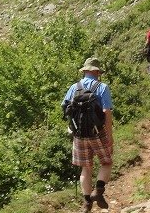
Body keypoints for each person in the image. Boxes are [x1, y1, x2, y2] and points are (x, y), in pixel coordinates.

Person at [62, 57, 113, 212]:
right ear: (97, 72)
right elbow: (107, 112)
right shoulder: (102, 87)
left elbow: (65, 107)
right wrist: (109, 135)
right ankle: (98, 191)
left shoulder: (74, 87)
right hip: (98, 133)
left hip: (79, 134)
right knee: (106, 163)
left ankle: (86, 203)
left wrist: (73, 126)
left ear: (84, 71)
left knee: (86, 167)